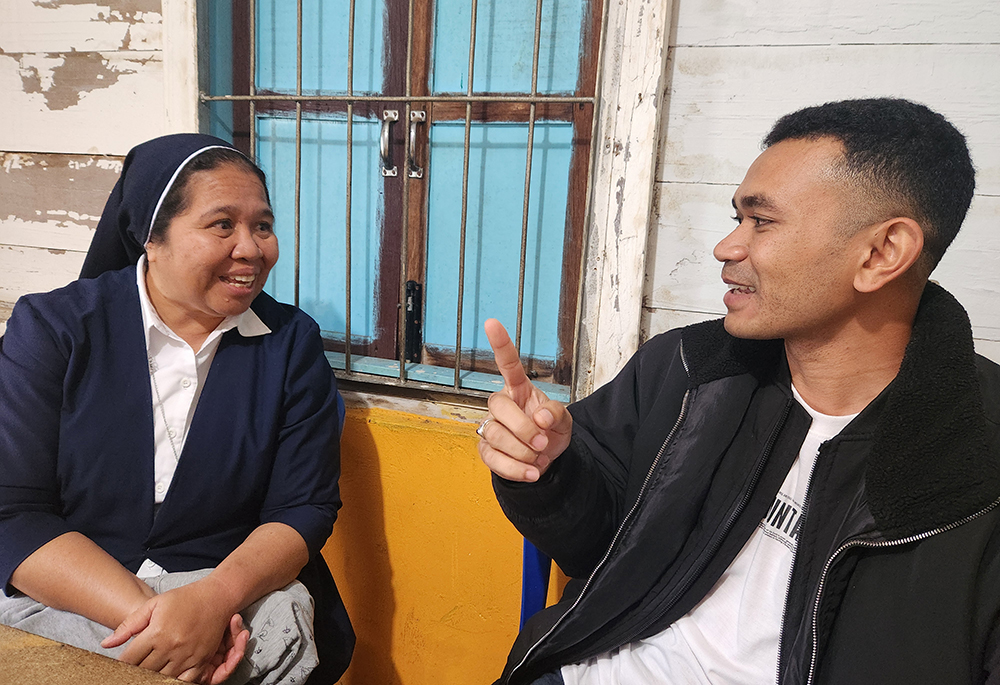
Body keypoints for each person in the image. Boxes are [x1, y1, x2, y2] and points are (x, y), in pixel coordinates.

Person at [477, 98, 1000, 684]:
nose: (728, 247)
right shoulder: (693, 371)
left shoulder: (972, 460)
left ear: (881, 253)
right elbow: (598, 549)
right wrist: (550, 470)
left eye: (762, 221)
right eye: (737, 217)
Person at [0, 134, 354, 684]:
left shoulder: (290, 344)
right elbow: (13, 510)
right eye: (222, 225)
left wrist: (211, 605)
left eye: (262, 225)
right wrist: (163, 626)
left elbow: (302, 508)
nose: (252, 248)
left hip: (228, 599)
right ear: (151, 238)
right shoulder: (55, 330)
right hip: (74, 597)